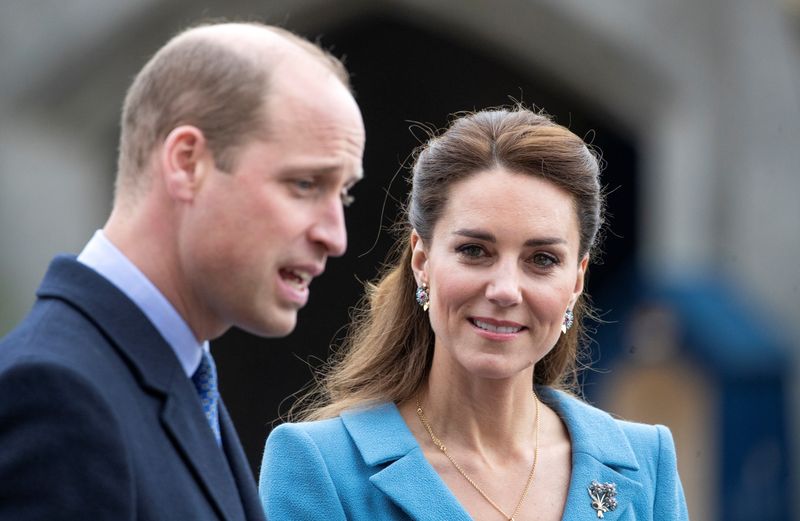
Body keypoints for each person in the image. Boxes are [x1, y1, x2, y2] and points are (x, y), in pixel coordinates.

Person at [0, 21, 365, 521]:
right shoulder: (56, 392)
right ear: (187, 163)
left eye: (343, 193)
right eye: (305, 184)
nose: (335, 235)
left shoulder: (180, 376)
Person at [259, 107, 688, 520]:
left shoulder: (644, 462)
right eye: (474, 251)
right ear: (421, 262)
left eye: (541, 259)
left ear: (576, 281)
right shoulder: (322, 466)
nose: (504, 290)